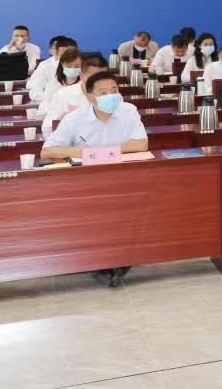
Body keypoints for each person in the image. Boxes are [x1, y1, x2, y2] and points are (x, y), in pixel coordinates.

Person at [42, 69, 149, 287]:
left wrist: (102, 152)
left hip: (122, 179)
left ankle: (116, 260)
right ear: (91, 98)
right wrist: (78, 152)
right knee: (94, 210)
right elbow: (47, 151)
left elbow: (141, 144)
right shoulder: (75, 118)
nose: (111, 96)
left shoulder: (129, 111)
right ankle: (103, 262)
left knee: (132, 205)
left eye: (114, 90)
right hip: (85, 183)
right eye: (103, 92)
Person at [42, 54, 108, 130]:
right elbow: (47, 127)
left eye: (103, 77)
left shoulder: (112, 96)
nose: (99, 81)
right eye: (93, 77)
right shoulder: (63, 94)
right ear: (82, 76)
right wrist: (62, 122)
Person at [34, 46, 81, 117]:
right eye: (69, 66)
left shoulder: (86, 85)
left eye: (77, 66)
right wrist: (58, 112)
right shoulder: (53, 84)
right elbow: (43, 106)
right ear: (62, 65)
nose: (72, 69)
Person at [27, 35, 75, 102]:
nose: (67, 58)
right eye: (63, 55)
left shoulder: (84, 65)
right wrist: (50, 100)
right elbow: (34, 88)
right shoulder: (46, 65)